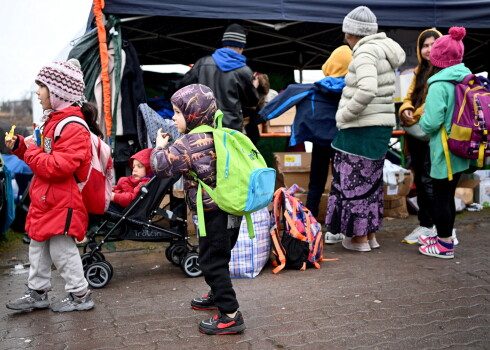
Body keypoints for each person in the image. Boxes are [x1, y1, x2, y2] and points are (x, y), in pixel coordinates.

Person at [5, 58, 100, 312]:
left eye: (42, 86)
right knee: (38, 246)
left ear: (57, 92)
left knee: (62, 250)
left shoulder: (72, 127)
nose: (37, 92)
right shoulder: (53, 121)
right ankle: (38, 292)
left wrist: (30, 152)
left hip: (62, 200)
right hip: (46, 198)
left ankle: (80, 295)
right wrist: (22, 148)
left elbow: (58, 167)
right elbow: (41, 156)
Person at [150, 84, 245, 335]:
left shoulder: (190, 143)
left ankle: (230, 315)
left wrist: (159, 146)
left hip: (213, 213)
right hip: (231, 211)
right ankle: (216, 295)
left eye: (177, 113)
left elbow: (161, 167)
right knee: (217, 257)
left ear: (192, 114)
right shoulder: (219, 133)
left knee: (212, 262)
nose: (173, 117)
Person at [325, 6, 406, 251]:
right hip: (379, 128)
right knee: (369, 184)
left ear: (351, 33)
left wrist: (345, 114)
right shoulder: (383, 50)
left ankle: (358, 240)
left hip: (359, 129)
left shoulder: (364, 53)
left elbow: (367, 88)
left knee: (353, 184)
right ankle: (369, 236)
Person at [259, 45, 353, 227]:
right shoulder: (353, 91)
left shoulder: (312, 88)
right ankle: (337, 226)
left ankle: (310, 223)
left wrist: (261, 117)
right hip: (344, 141)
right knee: (342, 183)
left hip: (319, 141)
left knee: (316, 183)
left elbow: (282, 101)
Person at [417, 27, 472, 259]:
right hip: (462, 146)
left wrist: (421, 119)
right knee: (447, 195)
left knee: (440, 196)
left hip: (445, 149)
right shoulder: (466, 78)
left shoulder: (439, 84)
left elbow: (430, 123)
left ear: (438, 58)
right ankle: (443, 235)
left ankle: (444, 244)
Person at [398, 29, 442, 244]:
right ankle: (425, 224)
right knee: (422, 180)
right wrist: (405, 109)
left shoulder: (444, 72)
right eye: (425, 45)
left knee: (431, 181)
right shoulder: (419, 71)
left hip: (433, 134)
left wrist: (411, 116)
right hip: (416, 134)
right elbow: (409, 97)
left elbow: (434, 106)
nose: (428, 49)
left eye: (434, 44)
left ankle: (437, 228)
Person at [177, 23, 259, 131]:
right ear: (241, 47)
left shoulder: (203, 63)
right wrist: (254, 87)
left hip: (202, 124)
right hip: (230, 127)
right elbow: (252, 102)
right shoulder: (243, 70)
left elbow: (181, 88)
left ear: (224, 44)